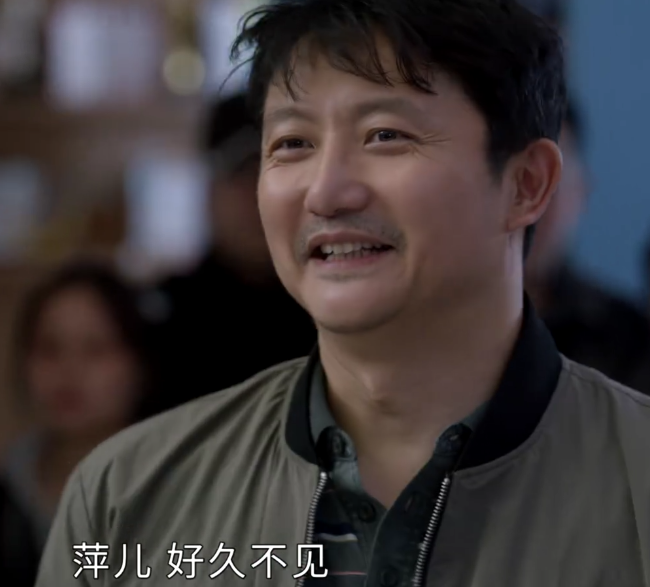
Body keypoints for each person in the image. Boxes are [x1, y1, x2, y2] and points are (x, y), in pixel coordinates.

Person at [37, 1, 650, 585]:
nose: (326, 193)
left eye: (384, 135)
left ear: (526, 185)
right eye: (292, 144)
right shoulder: (125, 498)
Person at [145, 92, 316, 415]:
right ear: (210, 189)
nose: (258, 197)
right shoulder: (162, 320)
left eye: (278, 177)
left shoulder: (336, 313)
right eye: (242, 176)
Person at [1, 261, 152, 577]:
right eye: (49, 349)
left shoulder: (177, 492)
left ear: (139, 363)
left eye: (96, 349)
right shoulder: (10, 488)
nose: (69, 370)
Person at [526, 102, 650, 392]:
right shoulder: (436, 321)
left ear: (581, 192)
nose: (531, 211)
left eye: (550, 188)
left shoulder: (630, 338)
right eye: (521, 182)